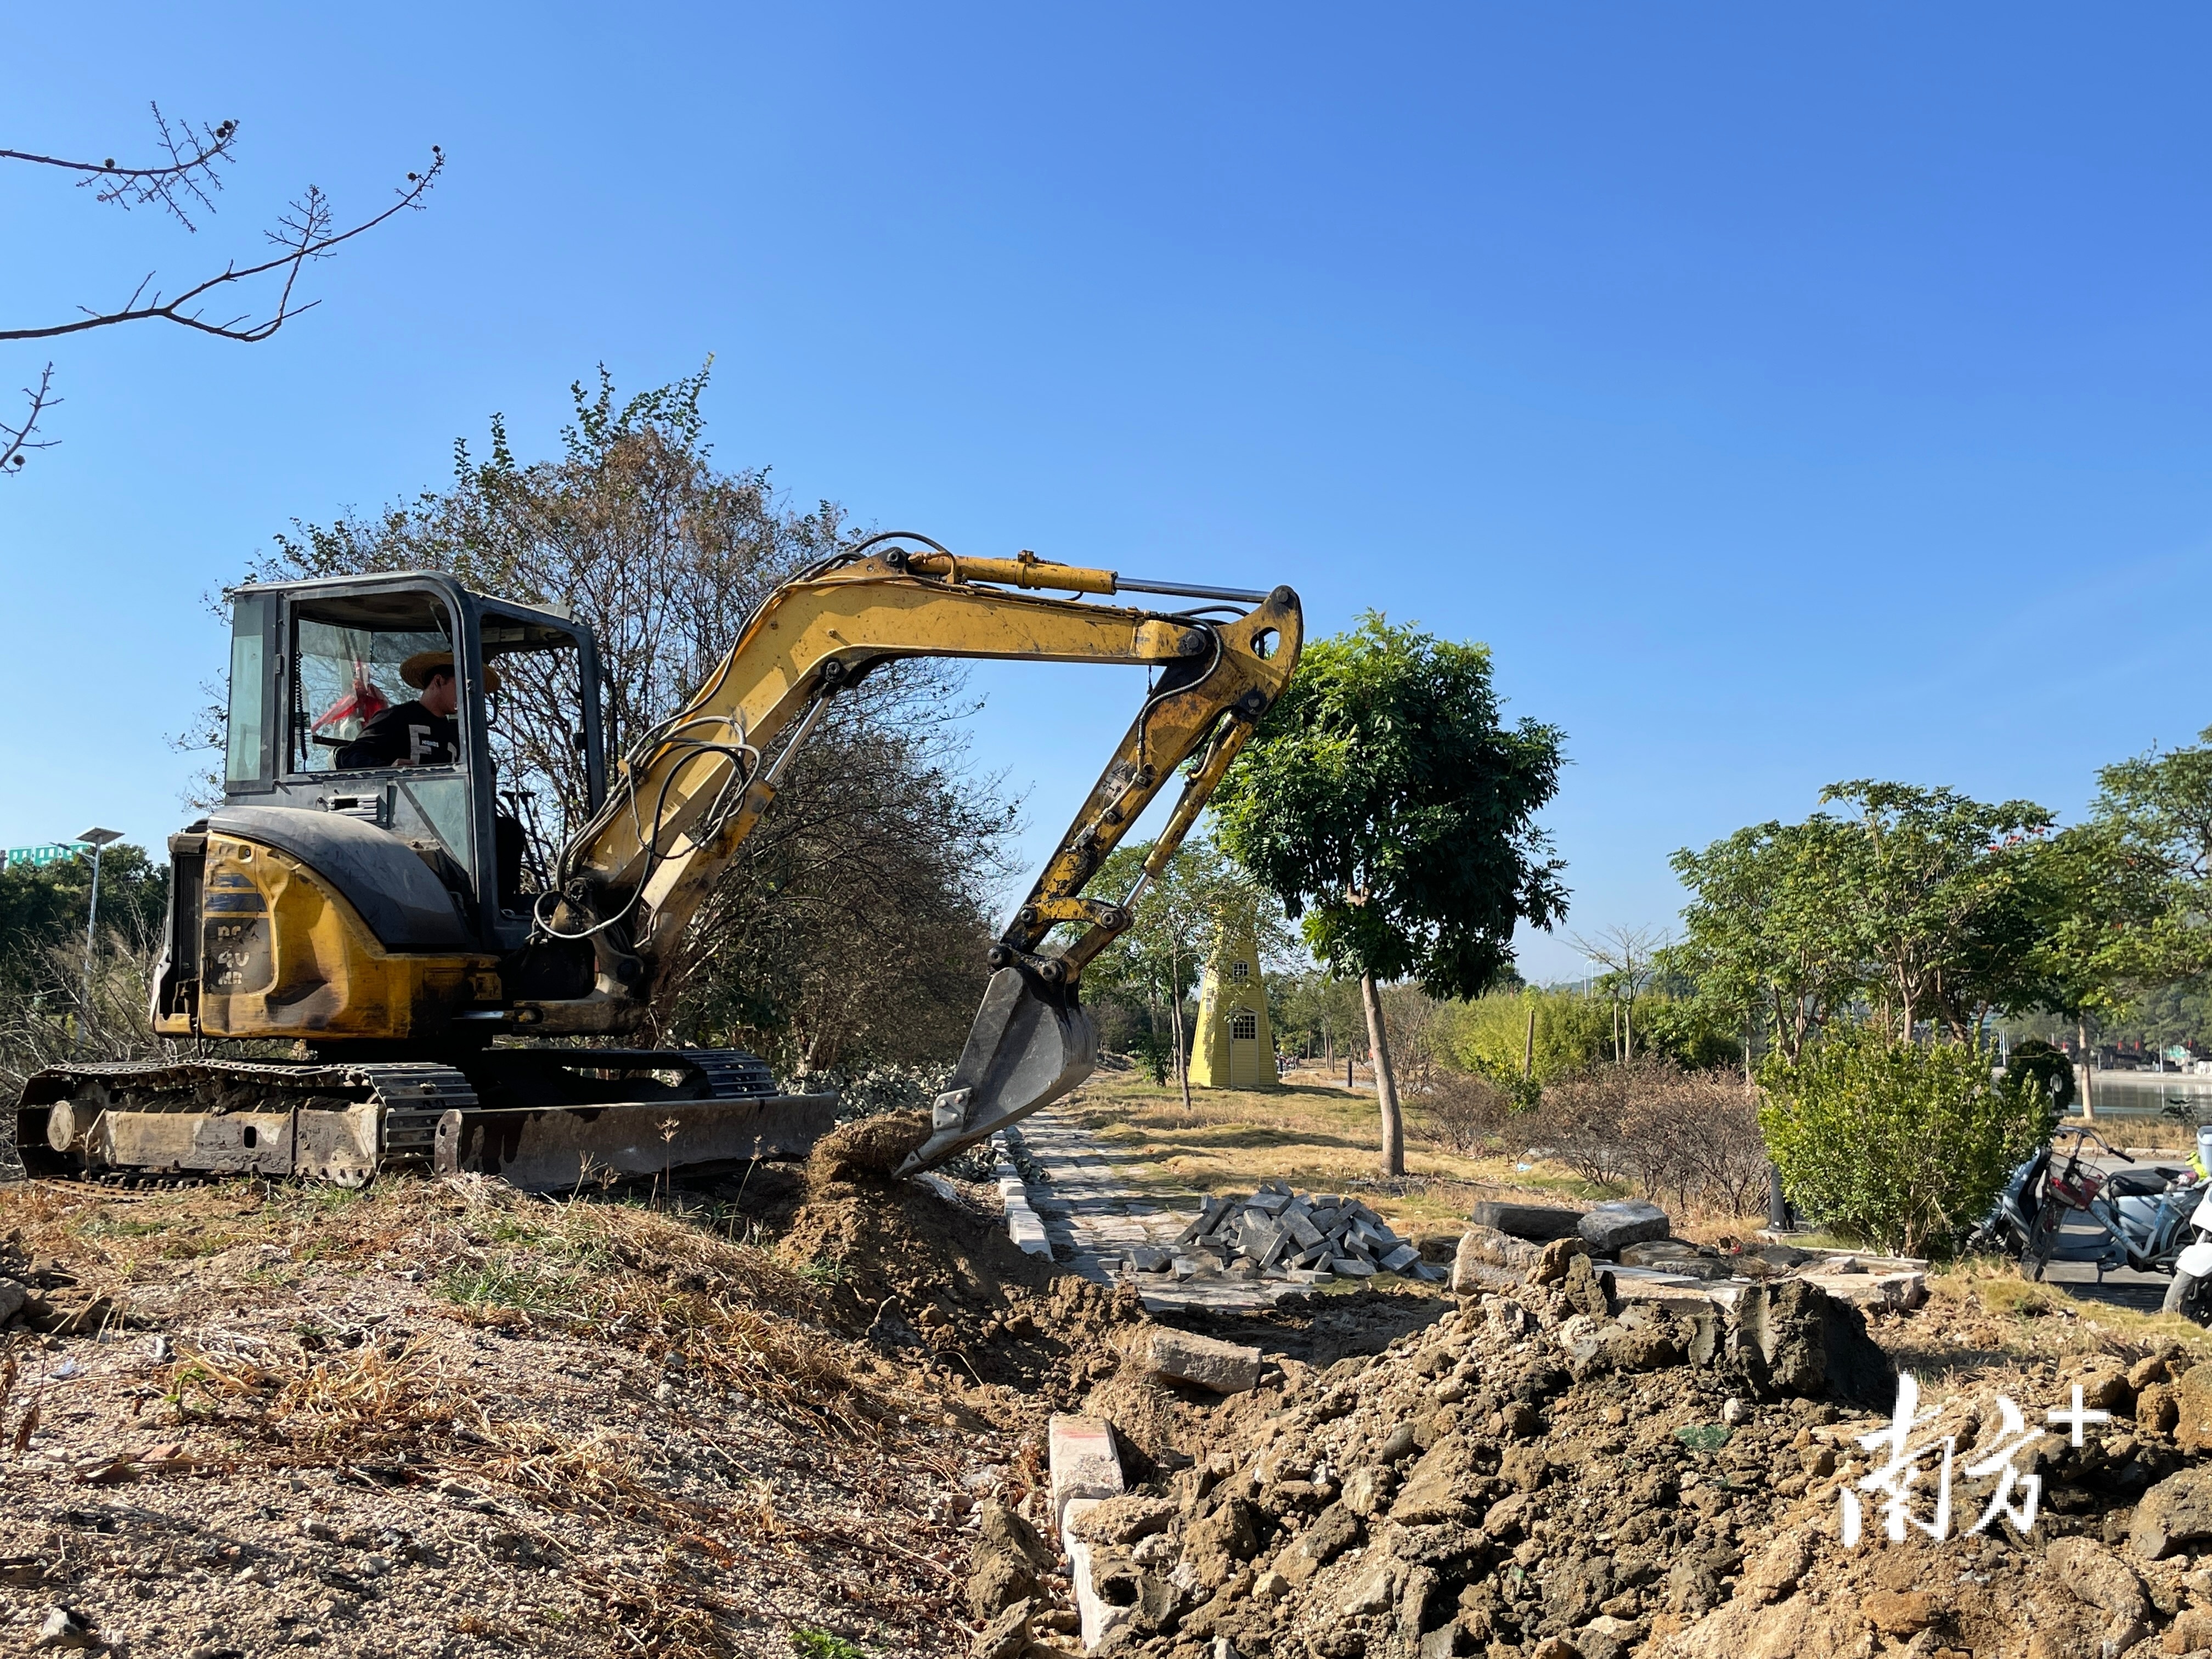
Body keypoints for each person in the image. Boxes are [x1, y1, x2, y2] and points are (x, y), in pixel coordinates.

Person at [333, 651, 497, 769]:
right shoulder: (397, 718)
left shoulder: (460, 735)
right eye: (461, 686)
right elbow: (351, 756)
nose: (466, 695)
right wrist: (388, 770)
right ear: (439, 681)